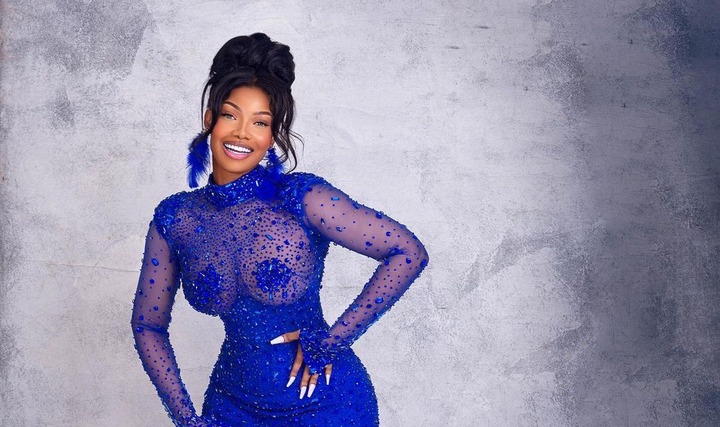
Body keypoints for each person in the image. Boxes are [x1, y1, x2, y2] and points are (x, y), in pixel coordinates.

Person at [130, 33, 429, 427]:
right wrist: (186, 418)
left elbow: (407, 252)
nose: (242, 133)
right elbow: (147, 325)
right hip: (231, 407)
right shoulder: (177, 218)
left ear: (272, 135)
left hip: (327, 405)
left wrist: (332, 341)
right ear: (209, 119)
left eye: (260, 122)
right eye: (230, 115)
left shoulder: (302, 198)